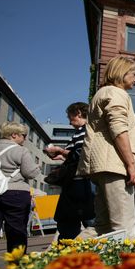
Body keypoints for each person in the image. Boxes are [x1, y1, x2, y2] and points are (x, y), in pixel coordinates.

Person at [77, 56, 135, 240]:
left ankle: (59, 260)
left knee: (102, 226)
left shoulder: (103, 93)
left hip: (102, 166)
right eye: (133, 74)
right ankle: (125, 267)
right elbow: (119, 129)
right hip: (115, 166)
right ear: (121, 73)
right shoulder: (117, 93)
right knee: (124, 226)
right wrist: (131, 164)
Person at [0, 122, 40, 269]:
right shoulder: (20, 151)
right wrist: (37, 166)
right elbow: (30, 173)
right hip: (15, 193)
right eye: (23, 136)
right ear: (14, 135)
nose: (25, 139)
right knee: (16, 231)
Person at [44, 102, 95, 240]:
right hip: (80, 182)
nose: (69, 121)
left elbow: (81, 155)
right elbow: (76, 155)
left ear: (78, 112)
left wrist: (60, 151)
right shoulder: (82, 131)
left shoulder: (86, 130)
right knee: (81, 220)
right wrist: (62, 156)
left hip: (81, 183)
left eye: (70, 116)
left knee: (77, 221)